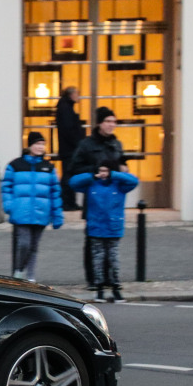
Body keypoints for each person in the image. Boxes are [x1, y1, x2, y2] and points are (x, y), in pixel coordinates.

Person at [68, 106, 125, 288]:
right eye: (108, 121)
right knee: (93, 240)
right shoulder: (87, 144)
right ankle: (93, 279)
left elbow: (121, 163)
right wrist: (95, 172)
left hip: (113, 199)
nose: (111, 125)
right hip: (93, 197)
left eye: (114, 121)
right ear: (100, 123)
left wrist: (123, 168)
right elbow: (74, 168)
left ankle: (110, 277)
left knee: (111, 241)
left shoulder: (116, 144)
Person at [70, 163, 139, 303]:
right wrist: (91, 175)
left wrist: (115, 174)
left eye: (106, 170)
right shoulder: (91, 184)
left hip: (113, 227)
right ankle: (99, 287)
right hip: (96, 226)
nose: (103, 173)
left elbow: (134, 181)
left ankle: (115, 287)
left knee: (113, 258)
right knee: (98, 259)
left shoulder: (119, 184)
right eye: (100, 170)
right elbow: (73, 183)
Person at [1, 131, 63, 282]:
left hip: (41, 213)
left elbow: (55, 192)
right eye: (37, 144)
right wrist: (10, 205)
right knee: (24, 244)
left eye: (42, 144)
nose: (40, 147)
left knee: (34, 246)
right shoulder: (16, 165)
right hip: (21, 212)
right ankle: (18, 270)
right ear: (29, 146)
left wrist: (57, 215)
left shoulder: (48, 167)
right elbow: (6, 187)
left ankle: (30, 277)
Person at [55, 87, 86, 211]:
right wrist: (78, 143)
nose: (78, 96)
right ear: (71, 95)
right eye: (77, 93)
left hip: (68, 148)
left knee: (69, 174)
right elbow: (69, 129)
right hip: (70, 149)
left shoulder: (64, 107)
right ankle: (68, 202)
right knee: (69, 175)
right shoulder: (66, 108)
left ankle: (69, 201)